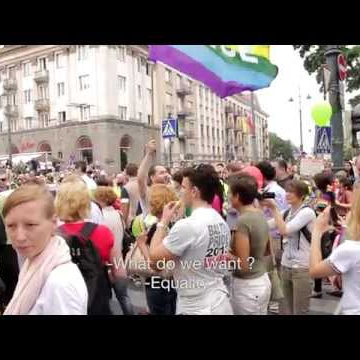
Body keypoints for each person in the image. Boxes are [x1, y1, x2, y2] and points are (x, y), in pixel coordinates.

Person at [149, 164, 233, 315]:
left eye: (182, 187)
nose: (179, 192)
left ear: (194, 192)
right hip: (219, 300)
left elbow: (154, 258)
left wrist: (163, 222)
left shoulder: (188, 226)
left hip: (196, 305)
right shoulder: (220, 220)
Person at [3, 184, 88, 315]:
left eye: (30, 225)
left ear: (54, 223)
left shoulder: (59, 283)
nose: (19, 237)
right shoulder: (35, 263)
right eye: (11, 226)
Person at [55, 180, 126, 315]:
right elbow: (120, 272)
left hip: (65, 299)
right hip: (96, 296)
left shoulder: (52, 236)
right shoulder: (103, 232)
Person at [263, 180, 316, 315]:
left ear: (302, 194)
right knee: (285, 309)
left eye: (291, 191)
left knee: (299, 310)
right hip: (286, 265)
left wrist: (274, 208)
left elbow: (285, 230)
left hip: (302, 267)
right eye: (287, 191)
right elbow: (266, 225)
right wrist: (256, 208)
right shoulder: (287, 212)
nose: (287, 194)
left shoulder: (307, 212)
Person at [228, 175, 271, 315]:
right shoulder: (259, 214)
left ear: (237, 196)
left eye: (230, 194)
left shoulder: (243, 221)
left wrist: (225, 254)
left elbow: (244, 265)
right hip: (260, 280)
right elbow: (267, 250)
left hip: (248, 286)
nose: (228, 197)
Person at [309, 197, 360, 315]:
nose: (346, 213)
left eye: (350, 209)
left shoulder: (351, 249)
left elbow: (314, 271)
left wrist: (317, 231)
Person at [135, 184, 178, 315]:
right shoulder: (175, 224)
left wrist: (142, 245)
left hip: (157, 282)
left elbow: (155, 263)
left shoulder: (158, 228)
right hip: (174, 281)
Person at [94, 186, 134, 315]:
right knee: (124, 297)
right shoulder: (119, 214)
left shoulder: (101, 217)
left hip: (109, 262)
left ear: (101, 199)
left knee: (106, 299)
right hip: (120, 258)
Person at [137, 140, 170, 215]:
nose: (166, 174)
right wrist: (149, 154)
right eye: (161, 173)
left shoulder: (170, 189)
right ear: (152, 177)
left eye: (166, 172)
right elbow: (140, 178)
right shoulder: (147, 192)